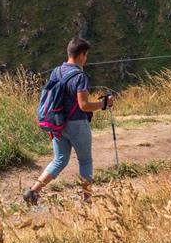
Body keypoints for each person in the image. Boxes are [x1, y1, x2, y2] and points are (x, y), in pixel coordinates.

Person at [23, 38, 113, 205]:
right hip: (77, 124)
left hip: (57, 124)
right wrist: (104, 103)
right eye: (86, 55)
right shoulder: (81, 76)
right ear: (80, 55)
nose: (86, 59)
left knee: (60, 159)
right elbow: (84, 105)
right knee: (85, 161)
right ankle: (87, 200)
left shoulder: (56, 71)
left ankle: (33, 191)